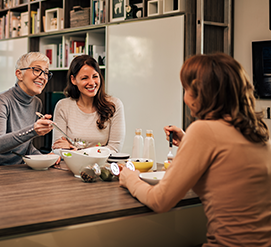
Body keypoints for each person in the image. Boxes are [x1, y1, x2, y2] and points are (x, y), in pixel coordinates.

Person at [119, 53, 271, 246]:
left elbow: (160, 201)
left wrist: (130, 179)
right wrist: (186, 142)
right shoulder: (256, 131)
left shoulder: (203, 130)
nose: (184, 97)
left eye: (186, 89)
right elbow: (225, 165)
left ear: (201, 94)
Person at [0, 52, 56, 168]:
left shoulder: (37, 103)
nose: (43, 77)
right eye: (37, 70)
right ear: (19, 74)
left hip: (14, 169)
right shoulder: (0, 100)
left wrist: (46, 158)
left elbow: (25, 146)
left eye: (46, 72)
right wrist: (33, 129)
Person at [51, 55, 125, 153]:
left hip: (103, 166)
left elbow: (115, 148)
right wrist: (98, 150)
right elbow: (58, 148)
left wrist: (75, 148)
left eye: (95, 76)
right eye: (84, 78)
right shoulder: (63, 106)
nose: (91, 83)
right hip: (72, 166)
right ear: (73, 80)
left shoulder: (114, 105)